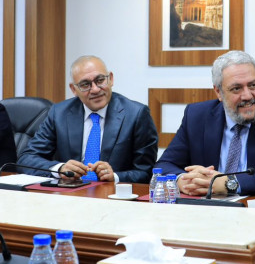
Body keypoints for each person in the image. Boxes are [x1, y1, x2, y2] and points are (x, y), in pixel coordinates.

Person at [154, 50, 255, 196]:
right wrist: (183, 180)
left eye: (252, 85)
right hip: (207, 207)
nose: (247, 96)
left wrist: (230, 183)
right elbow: (163, 166)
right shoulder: (197, 116)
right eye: (236, 88)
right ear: (218, 92)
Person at [19, 55, 158, 183]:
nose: (95, 89)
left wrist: (115, 177)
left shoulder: (136, 114)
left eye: (100, 80)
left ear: (111, 79)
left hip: (113, 195)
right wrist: (60, 169)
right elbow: (27, 159)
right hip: (70, 193)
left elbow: (146, 172)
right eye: (85, 84)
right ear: (74, 89)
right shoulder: (59, 113)